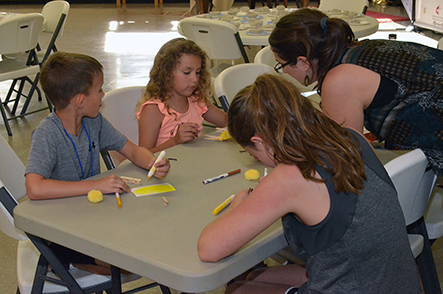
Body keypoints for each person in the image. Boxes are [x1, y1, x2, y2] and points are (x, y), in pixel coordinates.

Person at [197, 74, 420, 293]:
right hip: (393, 281)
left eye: (254, 154)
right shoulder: (351, 137)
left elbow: (208, 249)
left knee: (239, 290)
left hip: (359, 284)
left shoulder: (291, 177)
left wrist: (239, 205)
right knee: (250, 277)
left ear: (260, 142)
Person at [25, 52, 170, 274]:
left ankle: (89, 263)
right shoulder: (47, 134)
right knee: (130, 264)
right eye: (100, 89)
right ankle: (77, 265)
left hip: (92, 220)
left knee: (142, 245)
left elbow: (131, 150)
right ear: (80, 101)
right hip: (60, 230)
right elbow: (34, 188)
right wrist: (94, 185)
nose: (103, 96)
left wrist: (152, 162)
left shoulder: (94, 121)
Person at [269, 8, 443, 174]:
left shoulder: (339, 80)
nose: (283, 72)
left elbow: (346, 158)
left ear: (303, 62)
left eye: (281, 65)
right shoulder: (362, 48)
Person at [136, 38, 227, 153]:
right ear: (166, 73)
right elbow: (143, 156)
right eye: (187, 73)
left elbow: (227, 122)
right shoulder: (153, 110)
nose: (195, 79)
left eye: (198, 72)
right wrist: (175, 141)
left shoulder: (196, 100)